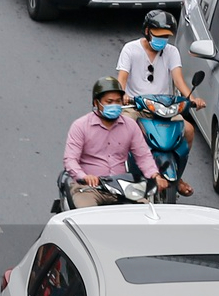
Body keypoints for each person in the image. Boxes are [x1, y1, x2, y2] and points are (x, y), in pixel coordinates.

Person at [116, 9, 205, 193]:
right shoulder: (130, 49)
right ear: (147, 31)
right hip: (137, 106)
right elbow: (122, 79)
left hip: (165, 108)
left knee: (188, 131)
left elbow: (179, 80)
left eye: (166, 36)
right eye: (159, 35)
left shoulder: (172, 52)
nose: (162, 39)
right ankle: (119, 174)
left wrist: (192, 99)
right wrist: (121, 95)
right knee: (124, 128)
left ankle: (178, 176)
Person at [63, 76, 167, 204]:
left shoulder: (131, 125)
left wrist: (155, 176)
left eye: (118, 101)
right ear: (96, 103)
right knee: (88, 220)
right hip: (89, 188)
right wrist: (84, 177)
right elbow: (70, 160)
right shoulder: (80, 126)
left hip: (122, 187)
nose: (115, 105)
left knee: (145, 214)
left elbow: (143, 156)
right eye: (109, 101)